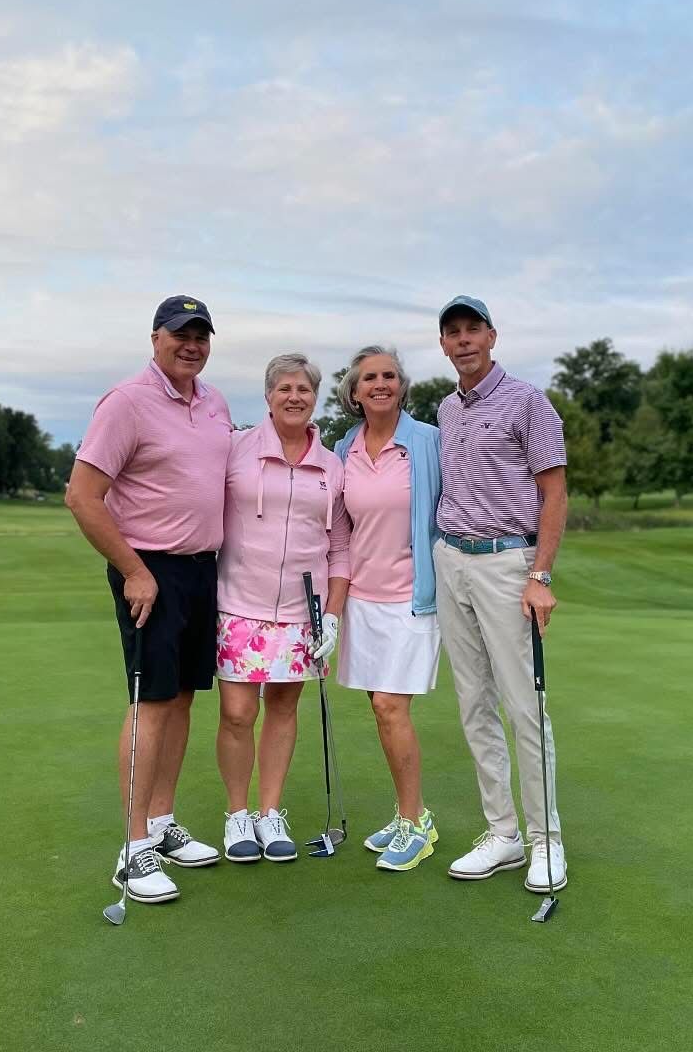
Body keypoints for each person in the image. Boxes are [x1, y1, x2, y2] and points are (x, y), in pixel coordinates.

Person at [65, 294, 230, 905]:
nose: (192, 344)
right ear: (155, 337)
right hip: (149, 570)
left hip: (201, 570)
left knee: (184, 697)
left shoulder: (214, 403)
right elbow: (83, 496)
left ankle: (161, 824)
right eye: (181, 333)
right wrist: (133, 570)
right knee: (152, 702)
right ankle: (134, 849)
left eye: (202, 334)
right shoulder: (126, 403)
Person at [433, 294, 570, 893]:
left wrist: (540, 576)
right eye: (452, 333)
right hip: (451, 560)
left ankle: (546, 840)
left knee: (523, 706)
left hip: (507, 561)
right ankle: (504, 833)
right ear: (443, 345)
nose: (463, 340)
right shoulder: (444, 410)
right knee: (473, 705)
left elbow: (555, 493)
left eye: (472, 330)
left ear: (492, 336)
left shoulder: (525, 400)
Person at [214, 353, 349, 863]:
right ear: (269, 395)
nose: (295, 397)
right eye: (285, 388)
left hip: (302, 610)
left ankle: (270, 813)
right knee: (237, 711)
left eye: (305, 389)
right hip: (238, 603)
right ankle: (236, 814)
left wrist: (332, 614)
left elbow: (340, 546)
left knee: (284, 706)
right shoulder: (237, 449)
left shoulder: (330, 466)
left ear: (315, 398)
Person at [332, 346, 443, 872]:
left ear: (402, 385)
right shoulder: (344, 447)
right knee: (379, 708)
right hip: (362, 600)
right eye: (369, 377)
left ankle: (417, 820)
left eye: (390, 376)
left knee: (389, 708)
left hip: (411, 599)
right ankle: (405, 816)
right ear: (354, 392)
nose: (381, 383)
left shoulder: (426, 442)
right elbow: (338, 530)